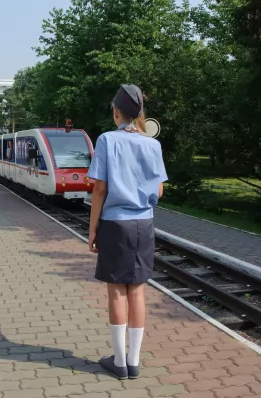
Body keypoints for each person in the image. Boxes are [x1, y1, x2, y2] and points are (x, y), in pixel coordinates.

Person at [87, 84, 167, 380]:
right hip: (144, 223)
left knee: (116, 291)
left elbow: (100, 188)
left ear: (116, 112)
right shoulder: (153, 144)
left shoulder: (107, 140)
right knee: (137, 290)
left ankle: (119, 363)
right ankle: (134, 362)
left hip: (115, 223)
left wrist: (93, 229)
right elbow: (159, 189)